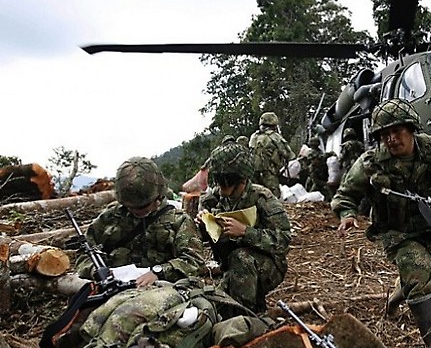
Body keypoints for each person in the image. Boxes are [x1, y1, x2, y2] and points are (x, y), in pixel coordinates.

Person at [331, 99, 431, 348]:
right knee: (418, 271)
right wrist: (347, 214)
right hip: (395, 233)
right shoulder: (372, 162)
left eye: (396, 131)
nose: (391, 138)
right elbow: (345, 194)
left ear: (411, 129)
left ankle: (402, 290)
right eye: (384, 134)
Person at [75, 157, 206, 287]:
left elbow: (194, 261)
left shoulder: (178, 220)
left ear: (158, 197)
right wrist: (95, 270)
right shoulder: (111, 217)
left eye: (142, 206)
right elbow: (84, 253)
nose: (135, 211)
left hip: (160, 290)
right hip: (113, 286)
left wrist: (159, 272)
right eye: (130, 207)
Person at [197, 142, 291, 313]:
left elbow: (283, 240)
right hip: (231, 264)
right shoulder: (213, 198)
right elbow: (206, 237)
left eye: (226, 182)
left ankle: (246, 315)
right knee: (215, 306)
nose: (221, 187)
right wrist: (204, 226)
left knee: (241, 259)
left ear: (241, 179)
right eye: (218, 180)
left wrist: (245, 232)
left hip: (268, 266)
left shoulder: (262, 198)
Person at [249, 112, 296, 199]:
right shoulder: (274, 136)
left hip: (253, 173)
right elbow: (289, 155)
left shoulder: (253, 136)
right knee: (273, 198)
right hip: (269, 173)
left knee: (257, 197)